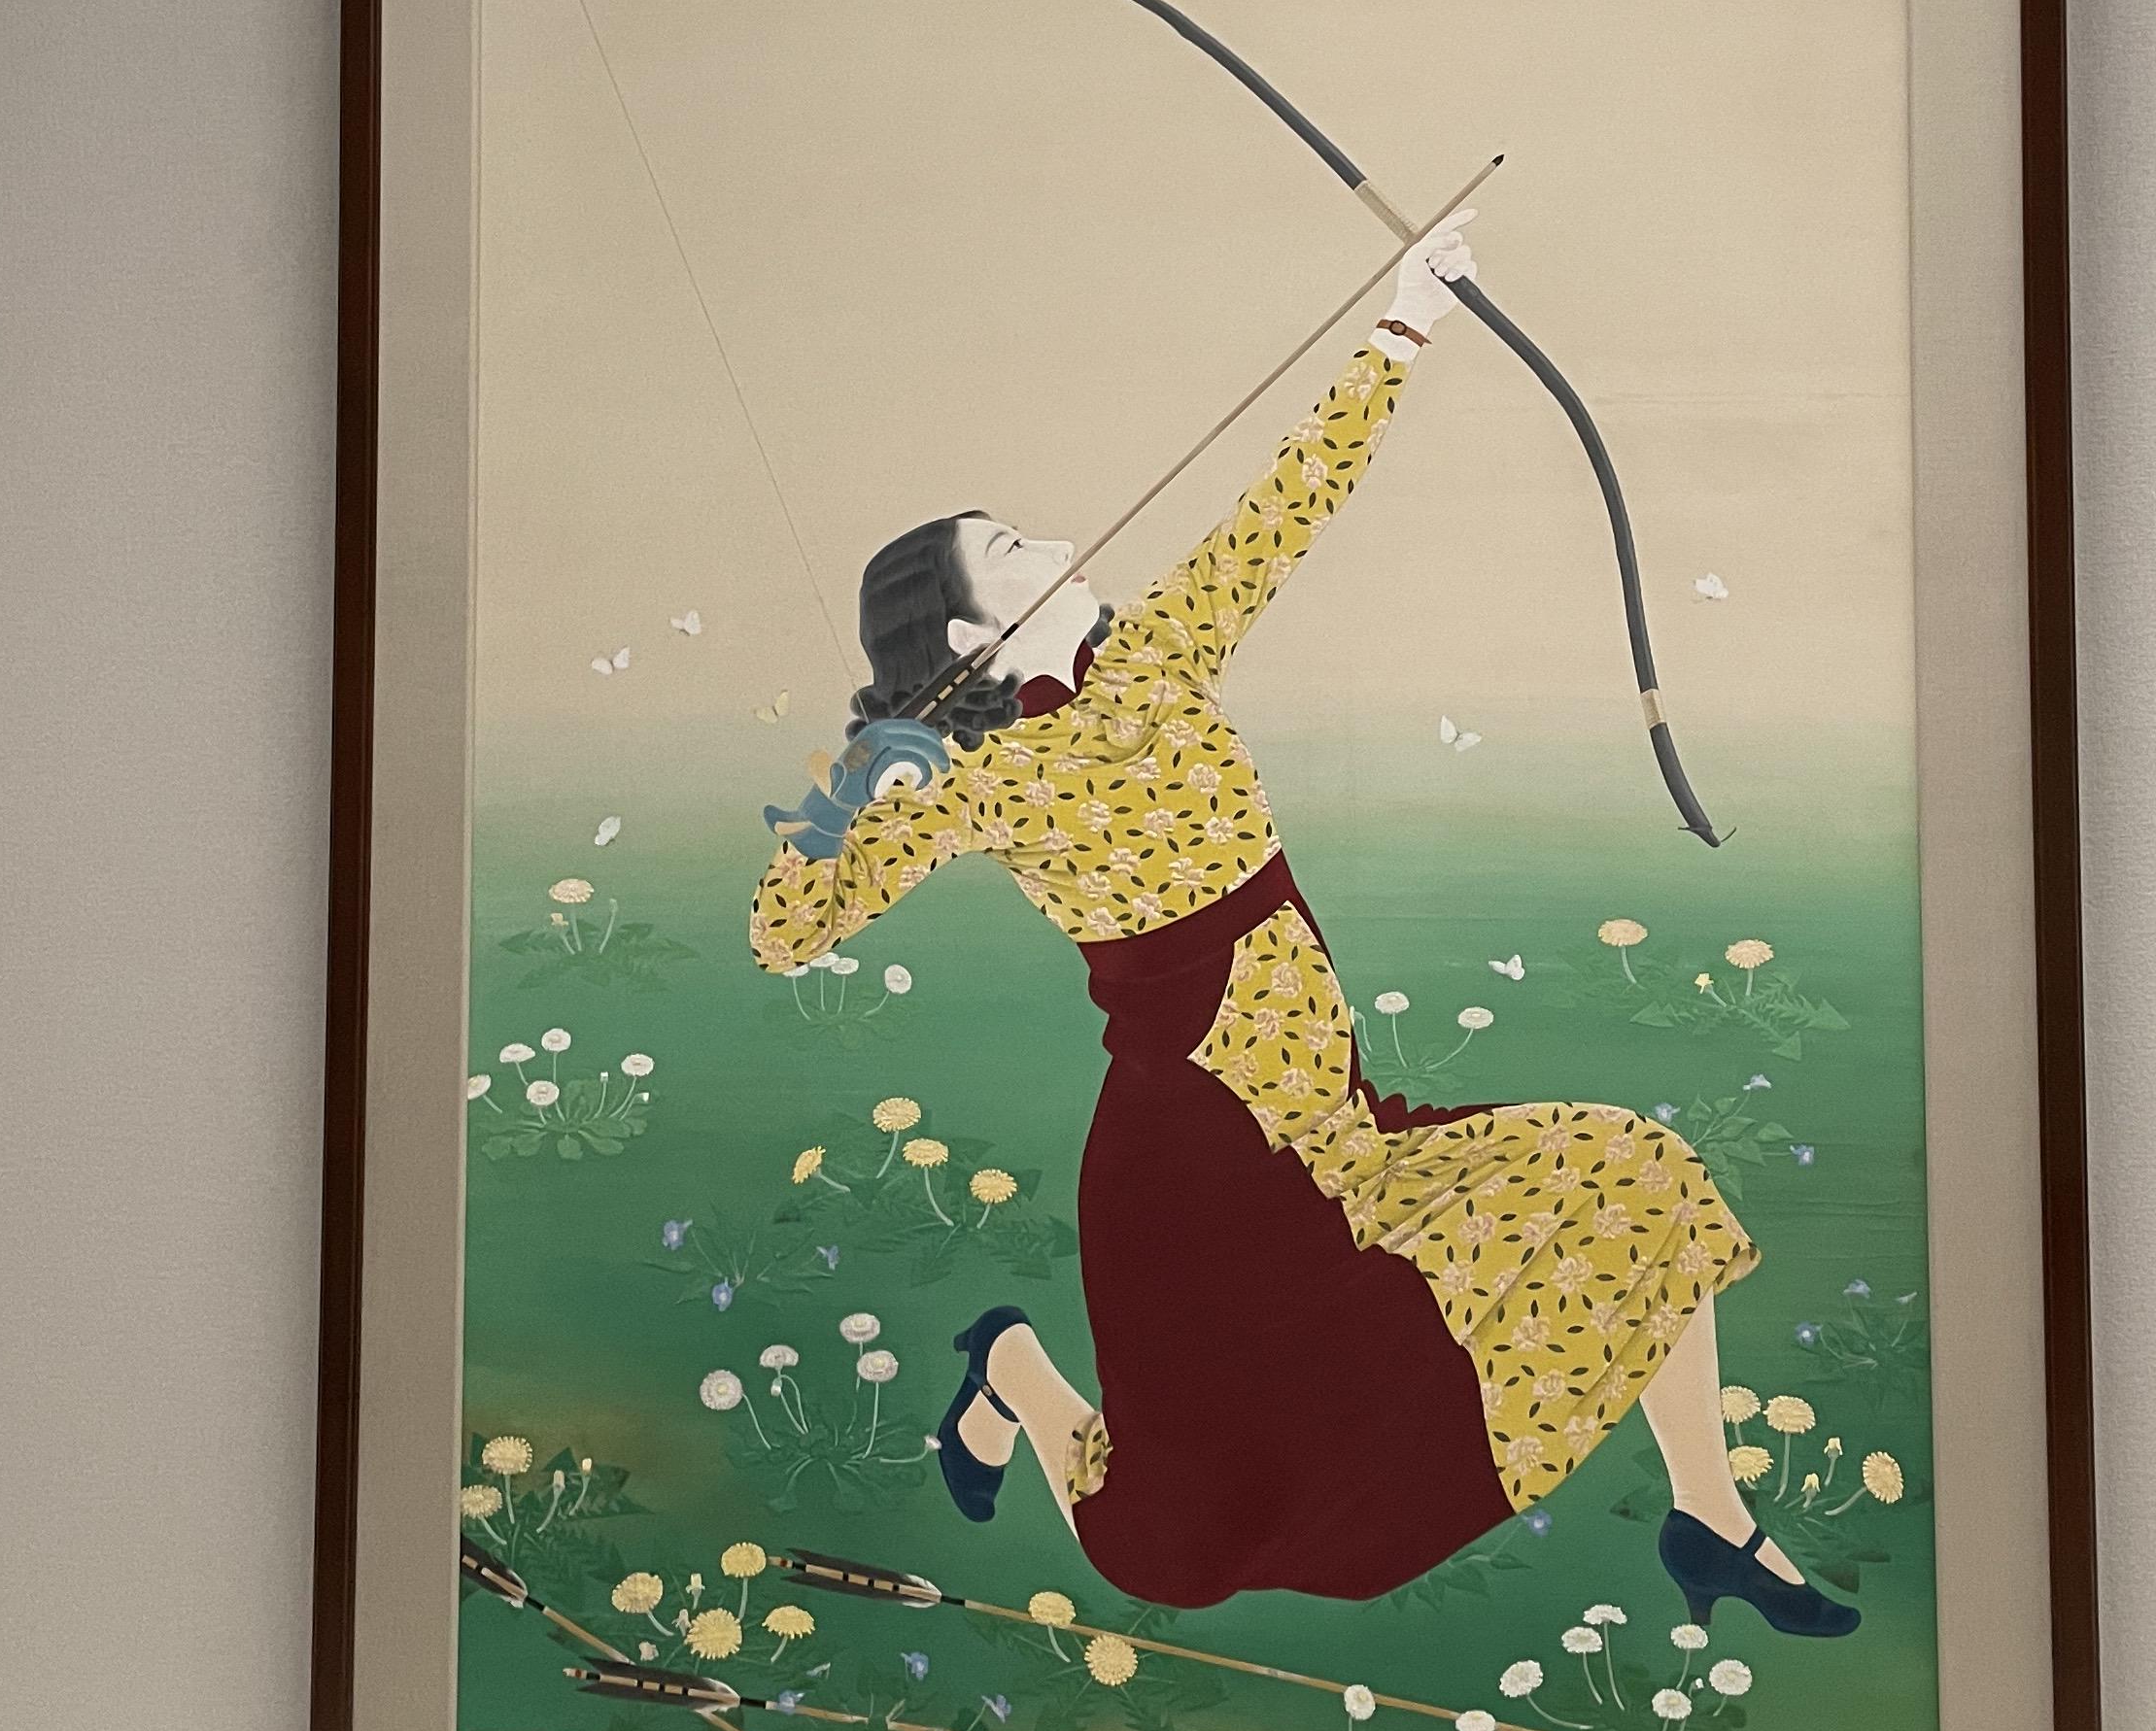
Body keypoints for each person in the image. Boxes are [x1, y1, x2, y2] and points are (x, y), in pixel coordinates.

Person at [748, 221, 1853, 1637]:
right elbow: (785, 931)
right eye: (1015, 549)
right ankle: (1015, 1372)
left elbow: (1285, 507)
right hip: (1198, 1162)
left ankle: (1711, 1516)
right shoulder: (976, 776)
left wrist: (1404, 323)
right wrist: (860, 780)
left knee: (1637, 1176)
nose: (1063, 543)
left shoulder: (1157, 651)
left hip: (1328, 1118)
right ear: (968, 636)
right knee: (1187, 1541)